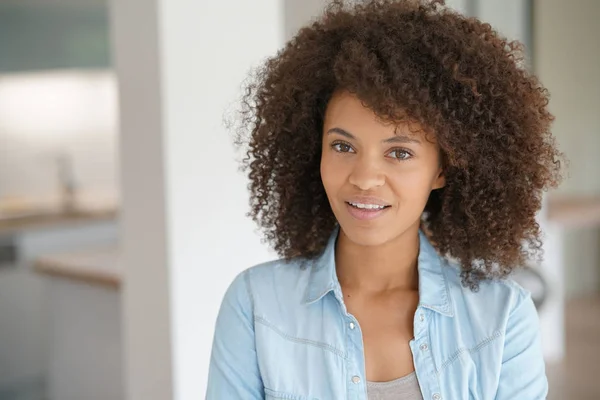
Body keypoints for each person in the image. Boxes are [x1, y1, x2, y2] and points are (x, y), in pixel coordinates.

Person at [206, 0, 562, 399]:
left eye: (399, 152)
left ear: (443, 169)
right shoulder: (256, 305)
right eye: (342, 146)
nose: (364, 178)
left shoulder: (502, 318)